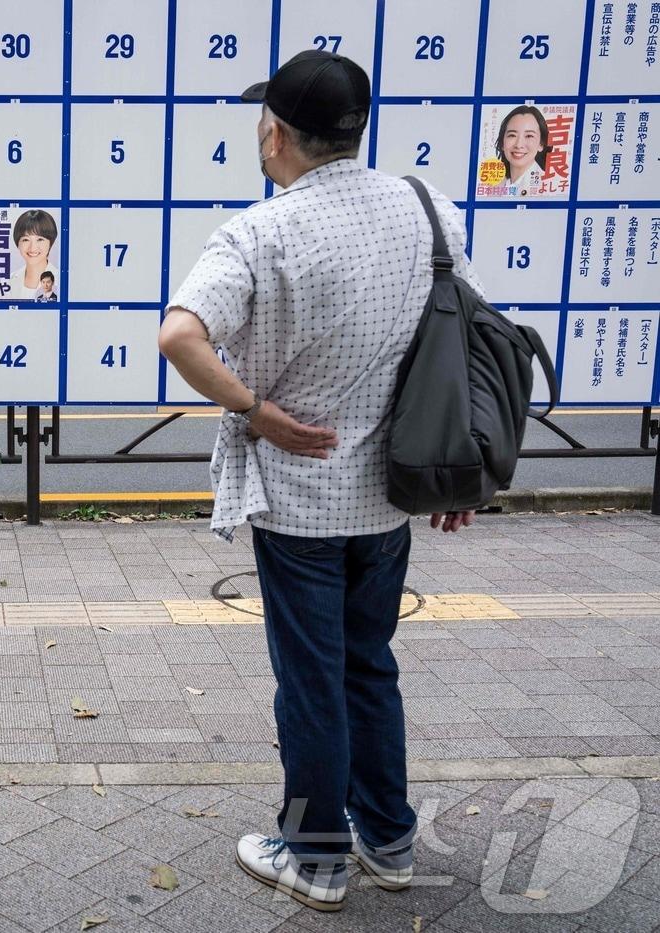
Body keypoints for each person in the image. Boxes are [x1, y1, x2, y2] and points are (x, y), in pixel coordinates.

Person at [158, 50, 482, 911]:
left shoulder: (262, 232)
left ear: (274, 133)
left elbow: (180, 336)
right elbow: (462, 344)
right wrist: (460, 474)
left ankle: (315, 854)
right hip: (394, 493)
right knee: (369, 664)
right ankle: (389, 838)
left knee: (310, 681)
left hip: (299, 501)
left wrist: (254, 410)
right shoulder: (427, 208)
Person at [493, 105, 548, 195]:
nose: (519, 145)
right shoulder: (493, 185)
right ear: (502, 142)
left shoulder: (546, 187)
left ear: (541, 144)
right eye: (512, 135)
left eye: (529, 136)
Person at [8, 208, 57, 300]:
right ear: (18, 243)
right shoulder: (7, 282)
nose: (33, 248)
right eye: (26, 239)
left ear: (50, 242)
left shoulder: (62, 280)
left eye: (40, 239)